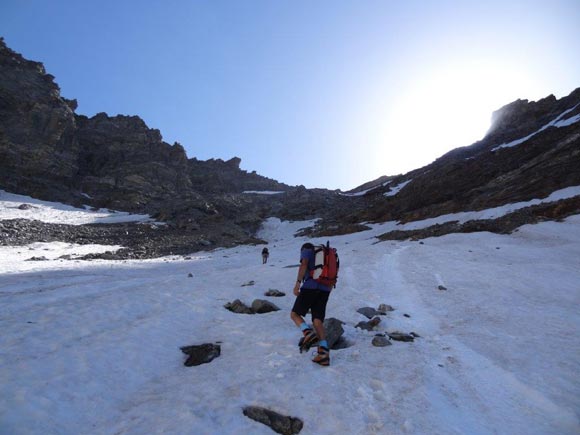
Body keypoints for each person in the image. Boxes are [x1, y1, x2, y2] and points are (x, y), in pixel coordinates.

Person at [290, 242, 332, 366]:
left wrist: (297, 283)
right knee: (317, 321)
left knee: (294, 314)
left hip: (310, 286)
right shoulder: (326, 254)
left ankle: (308, 334)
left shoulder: (307, 248)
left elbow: (304, 264)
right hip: (325, 289)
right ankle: (323, 355)